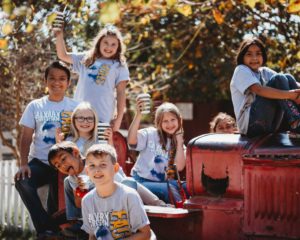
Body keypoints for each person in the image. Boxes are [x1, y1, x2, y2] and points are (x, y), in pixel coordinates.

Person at [14, 61, 78, 238]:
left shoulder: (75, 107)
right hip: (41, 162)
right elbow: (26, 137)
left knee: (56, 207)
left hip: (64, 166)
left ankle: (53, 231)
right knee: (22, 181)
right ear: (45, 81)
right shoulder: (35, 106)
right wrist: (23, 164)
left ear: (68, 82)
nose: (57, 82)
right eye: (52, 78)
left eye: (62, 79)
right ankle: (47, 229)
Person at [53, 21, 129, 132]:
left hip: (103, 116)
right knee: (78, 147)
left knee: (98, 149)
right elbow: (62, 55)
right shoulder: (86, 58)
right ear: (99, 43)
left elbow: (121, 93)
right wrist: (59, 35)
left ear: (118, 47)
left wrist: (118, 121)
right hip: (79, 114)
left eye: (113, 44)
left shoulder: (119, 65)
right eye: (106, 43)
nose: (109, 47)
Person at [230, 37, 300, 137]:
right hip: (251, 126)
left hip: (271, 124)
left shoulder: (264, 72)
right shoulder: (241, 70)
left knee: (287, 78)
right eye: (249, 54)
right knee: (279, 78)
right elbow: (258, 89)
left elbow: (293, 84)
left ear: (263, 56)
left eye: (258, 54)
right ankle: (295, 123)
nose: (254, 58)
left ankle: (297, 123)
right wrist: (291, 95)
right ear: (242, 57)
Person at [81, 144, 151, 239]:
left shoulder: (129, 196)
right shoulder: (87, 200)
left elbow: (145, 234)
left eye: (103, 165)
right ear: (87, 171)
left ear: (115, 168)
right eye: (92, 165)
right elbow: (92, 236)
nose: (97, 170)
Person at [128, 102, 188, 204]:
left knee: (188, 187)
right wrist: (138, 114)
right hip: (141, 181)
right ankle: (180, 215)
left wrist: (179, 141)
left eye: (173, 120)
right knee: (168, 190)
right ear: (159, 123)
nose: (170, 124)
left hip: (162, 182)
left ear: (179, 120)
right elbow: (131, 140)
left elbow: (179, 167)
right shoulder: (150, 134)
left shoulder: (179, 144)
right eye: (165, 121)